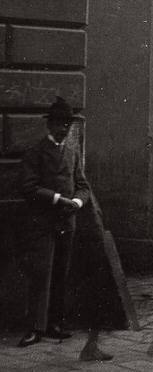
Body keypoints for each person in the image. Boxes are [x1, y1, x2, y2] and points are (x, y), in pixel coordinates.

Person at [17, 97, 91, 348]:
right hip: (43, 223)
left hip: (67, 221)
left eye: (67, 126)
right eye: (60, 125)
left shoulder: (71, 153)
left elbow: (83, 186)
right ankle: (34, 327)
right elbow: (28, 188)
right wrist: (58, 199)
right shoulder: (35, 153)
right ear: (49, 126)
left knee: (61, 273)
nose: (64, 130)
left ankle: (55, 324)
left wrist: (77, 203)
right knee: (41, 274)